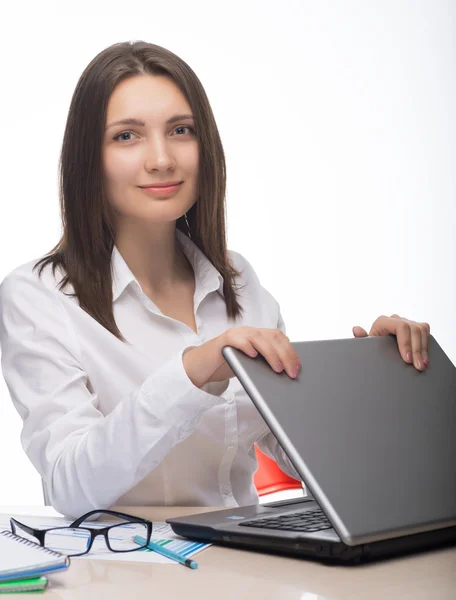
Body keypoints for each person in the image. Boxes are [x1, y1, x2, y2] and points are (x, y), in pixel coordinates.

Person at [0, 41, 431, 519]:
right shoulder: (38, 297)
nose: (162, 159)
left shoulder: (238, 277)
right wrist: (191, 371)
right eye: (127, 136)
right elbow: (69, 484)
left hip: (251, 565)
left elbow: (302, 458)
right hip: (127, 573)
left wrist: (373, 382)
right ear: (88, 158)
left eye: (181, 131)